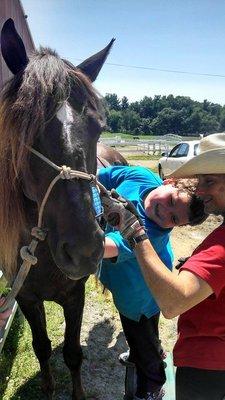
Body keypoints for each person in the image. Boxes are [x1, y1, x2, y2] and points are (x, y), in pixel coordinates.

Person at [102, 132, 225, 400]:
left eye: (210, 181)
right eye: (201, 180)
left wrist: (132, 230)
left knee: (142, 340)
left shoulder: (218, 246)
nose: (201, 190)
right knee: (145, 340)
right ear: (168, 182)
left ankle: (150, 388)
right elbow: (105, 177)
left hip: (205, 357)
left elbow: (173, 302)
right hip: (199, 342)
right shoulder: (141, 178)